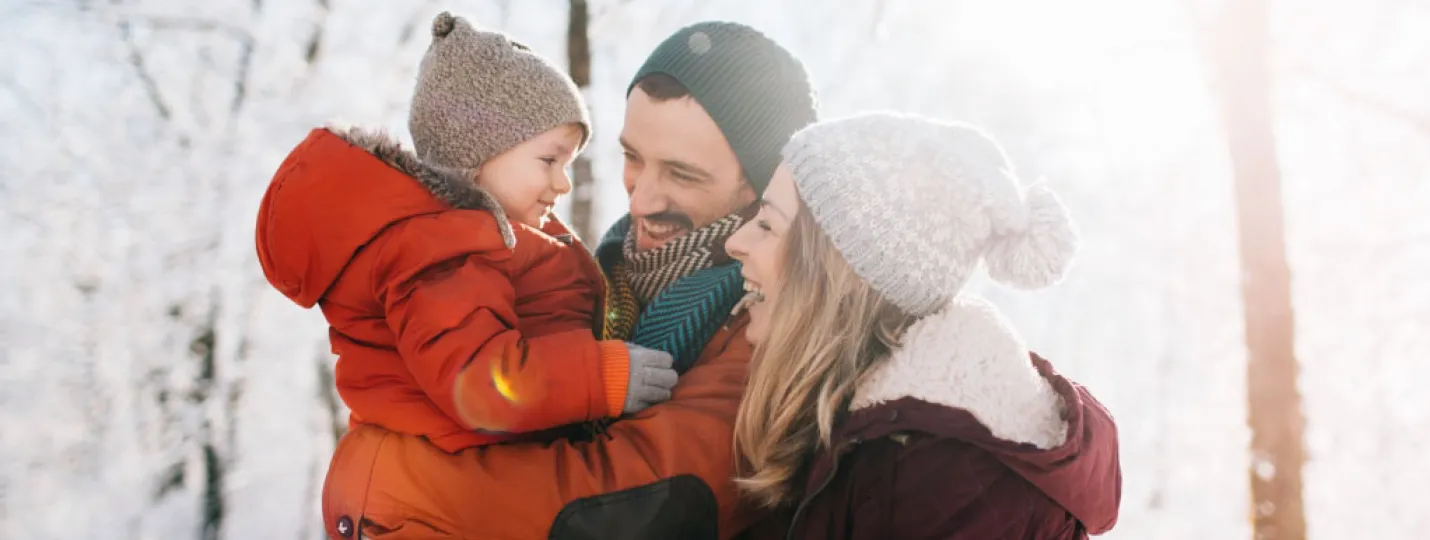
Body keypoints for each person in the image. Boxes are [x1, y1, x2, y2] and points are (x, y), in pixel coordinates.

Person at [308, 20, 820, 539]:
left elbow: (634, 508)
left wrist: (385, 476)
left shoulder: (769, 324)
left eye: (683, 174)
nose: (640, 200)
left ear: (762, 188)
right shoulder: (603, 278)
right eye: (633, 158)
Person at [724, 112, 1123, 538]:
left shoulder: (944, 485)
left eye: (767, 224)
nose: (736, 242)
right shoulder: (862, 433)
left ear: (836, 273)